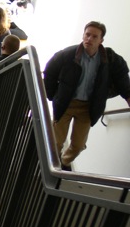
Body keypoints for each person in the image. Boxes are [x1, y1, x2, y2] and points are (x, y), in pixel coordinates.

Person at [43, 21, 130, 169]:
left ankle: (63, 163)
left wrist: (128, 96)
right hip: (66, 103)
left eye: (94, 36)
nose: (89, 39)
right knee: (56, 141)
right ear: (83, 35)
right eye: (87, 34)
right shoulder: (67, 54)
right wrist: (53, 96)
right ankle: (49, 166)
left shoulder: (110, 58)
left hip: (88, 108)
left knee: (78, 145)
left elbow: (122, 77)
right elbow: (49, 73)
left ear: (101, 41)